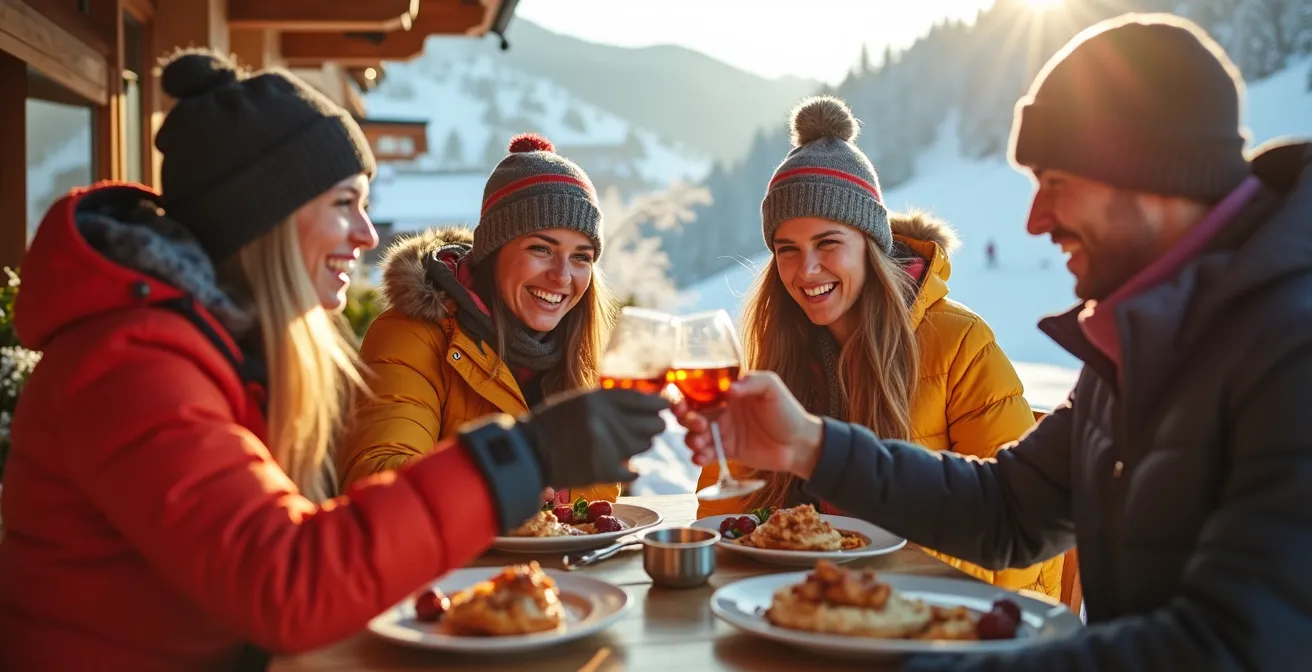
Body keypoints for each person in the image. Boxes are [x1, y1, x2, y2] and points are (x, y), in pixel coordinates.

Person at [678, 13, 1312, 671]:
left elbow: (1231, 648)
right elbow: (1010, 509)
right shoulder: (1141, 341)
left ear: (1152, 178)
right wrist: (808, 444)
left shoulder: (1291, 347)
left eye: (1056, 184)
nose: (1035, 221)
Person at [0, 50, 667, 671]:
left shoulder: (219, 352)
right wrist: (520, 458)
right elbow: (286, 584)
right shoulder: (132, 367)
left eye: (365, 206)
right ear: (266, 215)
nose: (369, 235)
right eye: (344, 204)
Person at [695, 96, 1062, 598]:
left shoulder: (961, 345)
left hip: (928, 619)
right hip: (800, 609)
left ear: (871, 245)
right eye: (788, 250)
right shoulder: (778, 349)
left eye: (828, 243)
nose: (806, 271)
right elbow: (728, 520)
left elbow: (1020, 556)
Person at [338, 133, 620, 506]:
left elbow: (603, 483)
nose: (562, 276)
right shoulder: (410, 335)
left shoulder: (577, 347)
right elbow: (377, 474)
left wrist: (555, 492)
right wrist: (502, 482)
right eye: (541, 248)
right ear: (492, 251)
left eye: (581, 257)